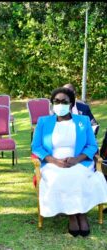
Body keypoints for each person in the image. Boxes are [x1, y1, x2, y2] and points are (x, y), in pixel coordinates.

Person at [32, 87, 107, 237]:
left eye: (64, 101)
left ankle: (82, 214)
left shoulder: (83, 121)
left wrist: (77, 159)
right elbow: (36, 146)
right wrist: (54, 160)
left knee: (78, 175)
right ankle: (72, 215)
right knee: (60, 176)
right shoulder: (43, 121)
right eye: (56, 101)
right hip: (52, 162)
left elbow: (92, 146)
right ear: (52, 103)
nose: (60, 104)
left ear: (71, 104)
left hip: (80, 160)